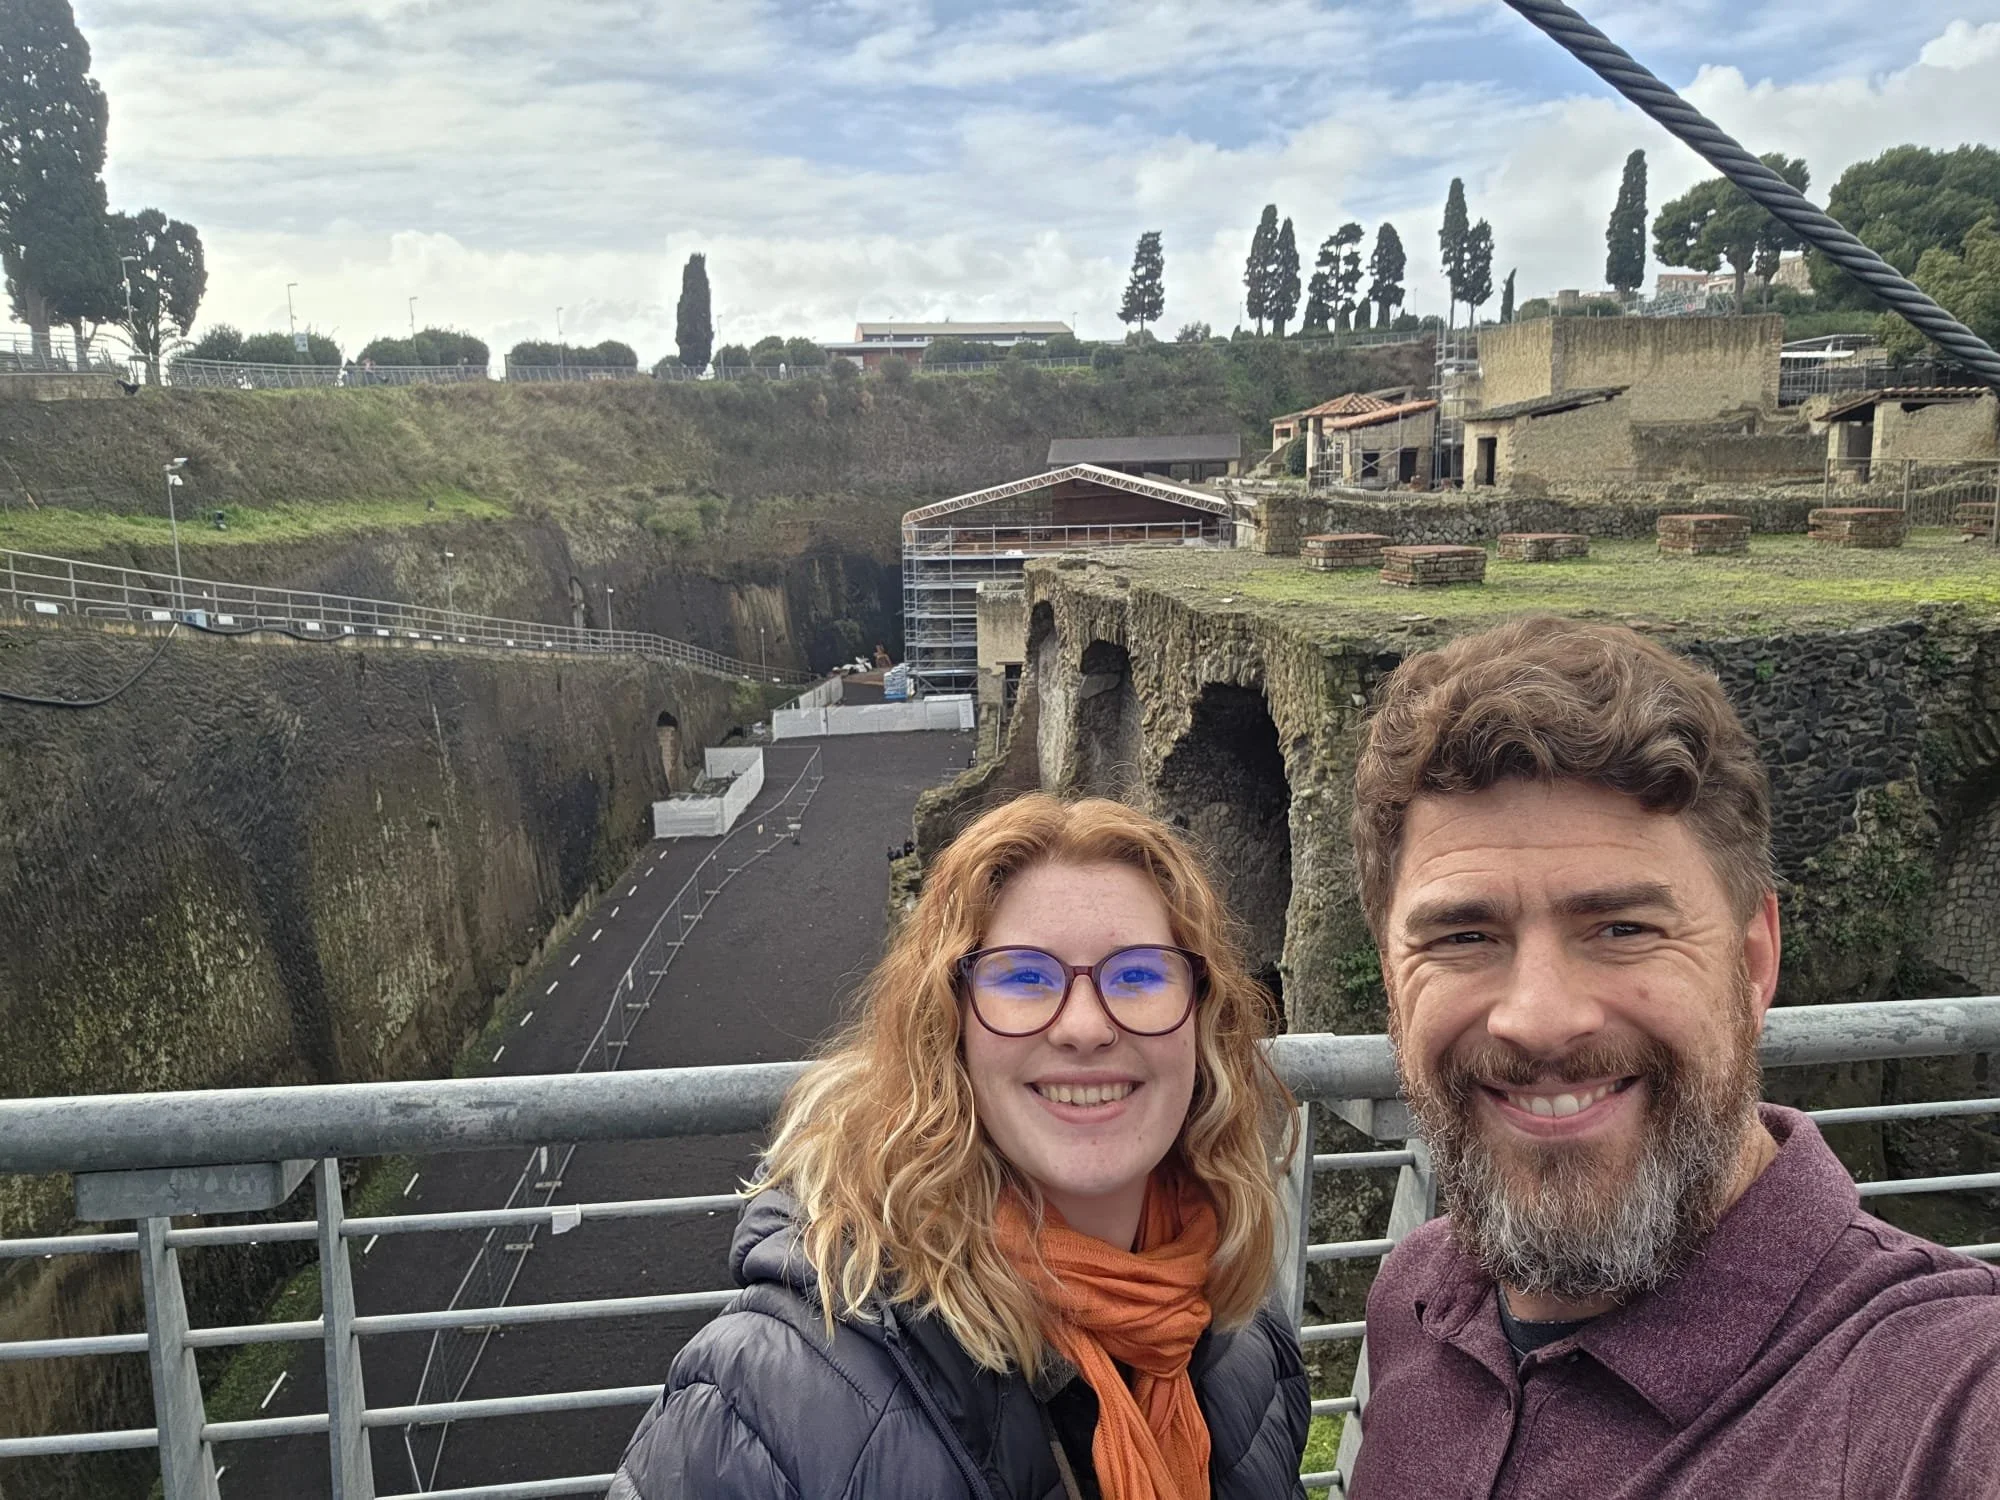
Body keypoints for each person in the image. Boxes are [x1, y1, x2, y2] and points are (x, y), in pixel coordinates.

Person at [1344, 616, 2000, 1499]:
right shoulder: (1416, 1299)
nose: (1540, 1020)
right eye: (1465, 936)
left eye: (1623, 928)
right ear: (1393, 983)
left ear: (1754, 961)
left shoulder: (1933, 1396)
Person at [613, 794, 1308, 1499]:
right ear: (950, 1032)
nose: (1087, 1027)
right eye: (1024, 977)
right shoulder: (762, 1405)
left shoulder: (1238, 1327)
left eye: (1139, 975)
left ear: (1203, 1020)